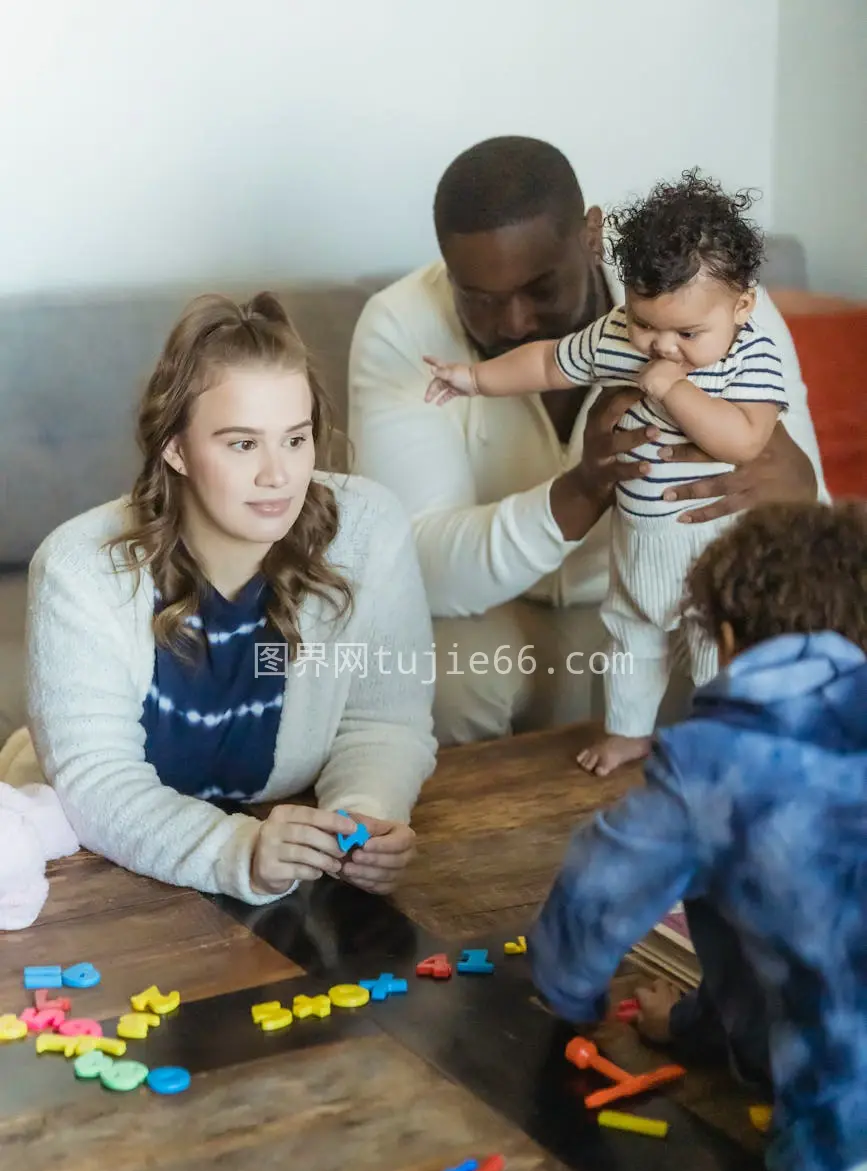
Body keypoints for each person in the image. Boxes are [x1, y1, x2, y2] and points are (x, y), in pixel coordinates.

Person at [347, 137, 827, 748]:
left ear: (590, 235)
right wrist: (581, 489)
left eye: (541, 288)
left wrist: (798, 490)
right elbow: (414, 566)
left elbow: (812, 510)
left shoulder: (722, 314)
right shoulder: (402, 326)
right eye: (481, 300)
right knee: (440, 677)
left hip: (691, 587)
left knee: (744, 655)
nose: (515, 323)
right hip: (498, 611)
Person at [527, 500, 867, 1171]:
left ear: (724, 640)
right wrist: (691, 1025)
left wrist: (571, 998)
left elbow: (594, 892)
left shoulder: (716, 763)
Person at [0, 292, 437, 905]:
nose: (278, 476)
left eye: (295, 438)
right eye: (241, 444)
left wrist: (360, 825)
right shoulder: (77, 568)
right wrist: (241, 851)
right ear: (175, 448)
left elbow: (384, 720)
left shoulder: (369, 530)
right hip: (74, 858)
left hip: (278, 848)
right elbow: (97, 785)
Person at [425, 170, 788, 775]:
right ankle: (627, 735)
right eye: (647, 323)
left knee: (714, 658)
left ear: (742, 305)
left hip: (713, 556)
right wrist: (474, 380)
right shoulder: (622, 335)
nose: (661, 347)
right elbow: (548, 362)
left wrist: (675, 391)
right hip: (640, 547)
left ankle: (721, 753)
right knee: (629, 643)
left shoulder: (751, 358)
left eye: (687, 333)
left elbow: (746, 440)